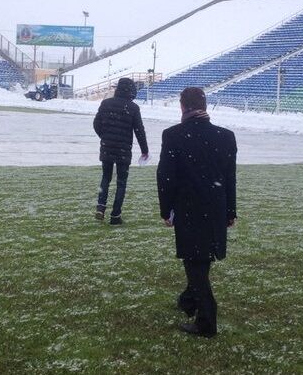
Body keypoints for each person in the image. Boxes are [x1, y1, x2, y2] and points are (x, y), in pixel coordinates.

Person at [156, 87, 237, 338]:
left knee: (195, 263)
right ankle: (189, 300)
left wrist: (165, 209)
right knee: (201, 257)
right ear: (204, 105)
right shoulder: (226, 136)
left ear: (182, 107)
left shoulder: (173, 135)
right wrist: (230, 211)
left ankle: (206, 320)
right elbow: (230, 178)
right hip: (214, 206)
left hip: (189, 207)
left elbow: (166, 177)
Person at [93, 77, 148, 225]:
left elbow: (96, 123)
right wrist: (145, 150)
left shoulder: (105, 103)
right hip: (123, 149)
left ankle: (101, 206)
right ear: (131, 91)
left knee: (106, 177)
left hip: (107, 147)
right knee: (121, 182)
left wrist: (104, 137)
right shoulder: (133, 108)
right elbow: (139, 130)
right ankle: (115, 216)